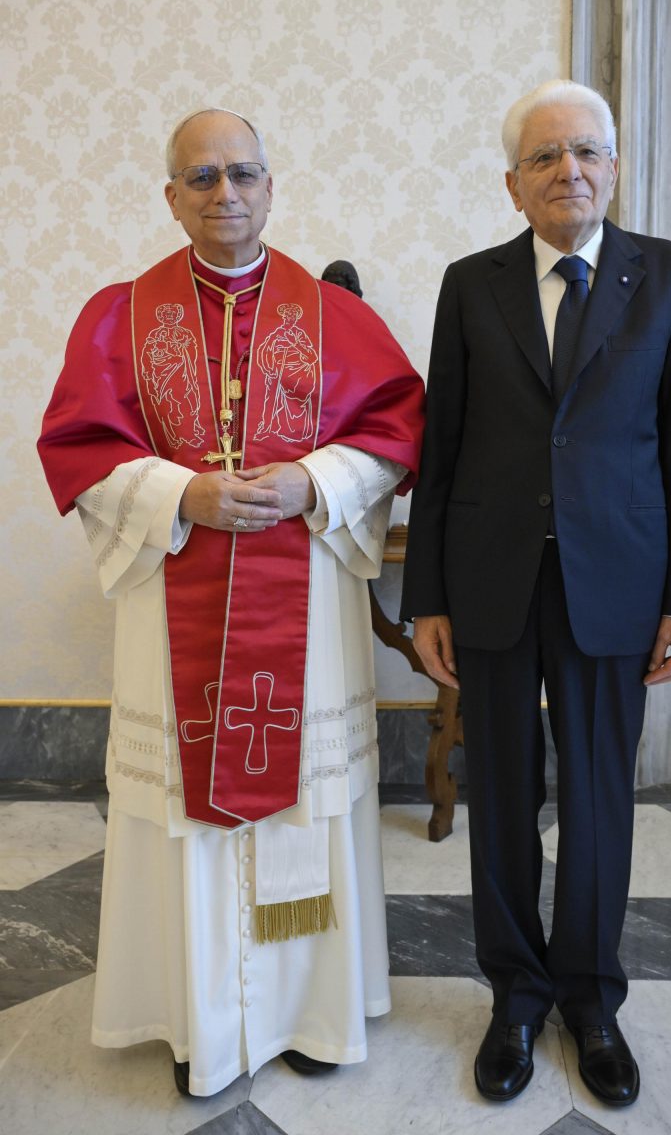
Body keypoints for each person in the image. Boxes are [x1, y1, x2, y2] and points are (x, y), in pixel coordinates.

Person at [38, 107, 424, 1098]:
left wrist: (313, 483)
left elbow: (399, 431)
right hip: (175, 591)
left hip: (306, 612)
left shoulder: (334, 316)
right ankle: (200, 1021)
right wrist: (182, 495)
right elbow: (80, 447)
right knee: (186, 811)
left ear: (270, 186)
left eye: (243, 173)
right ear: (171, 197)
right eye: (202, 177)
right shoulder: (120, 315)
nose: (226, 193)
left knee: (304, 802)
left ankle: (309, 1010)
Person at [401, 79, 671, 1108]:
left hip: (616, 580)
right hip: (491, 580)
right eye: (543, 157)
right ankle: (515, 996)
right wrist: (427, 597)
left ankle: (589, 1000)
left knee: (596, 798)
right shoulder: (470, 284)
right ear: (513, 183)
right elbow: (442, 447)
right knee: (501, 797)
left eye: (585, 151)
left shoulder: (668, 275)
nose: (567, 170)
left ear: (613, 168)